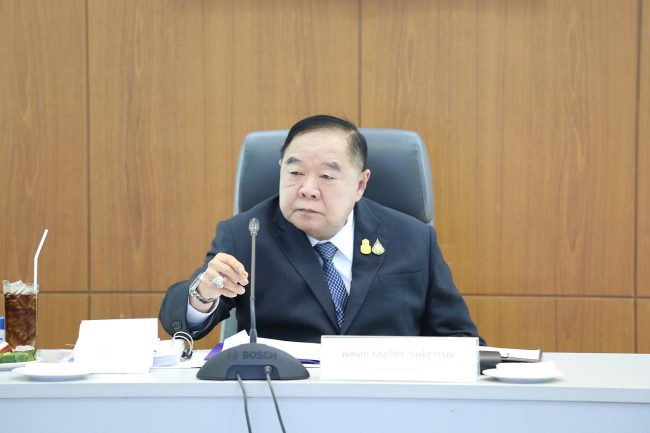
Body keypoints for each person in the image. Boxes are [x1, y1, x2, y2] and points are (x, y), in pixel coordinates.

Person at [160, 114, 483, 344]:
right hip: (284, 399)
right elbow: (184, 323)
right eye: (295, 173)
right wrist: (203, 293)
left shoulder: (412, 238)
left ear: (360, 184)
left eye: (327, 176)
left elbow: (459, 339)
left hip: (388, 401)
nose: (308, 189)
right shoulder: (247, 235)